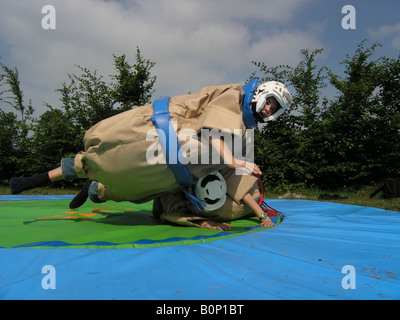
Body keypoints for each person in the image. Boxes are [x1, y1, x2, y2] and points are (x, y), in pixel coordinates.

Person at [10, 79, 292, 229]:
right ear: (261, 94)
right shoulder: (233, 96)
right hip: (160, 136)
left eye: (274, 109)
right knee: (98, 156)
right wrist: (238, 162)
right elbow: (211, 133)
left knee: (128, 188)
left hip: (169, 170)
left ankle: (95, 190)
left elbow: (225, 168)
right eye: (270, 102)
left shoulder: (243, 133)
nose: (268, 109)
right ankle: (31, 180)